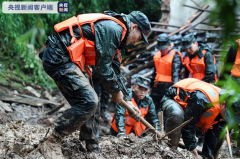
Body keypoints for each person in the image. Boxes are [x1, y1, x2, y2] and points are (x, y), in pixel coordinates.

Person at [38, 10, 151, 158]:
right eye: (139, 37)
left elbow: (115, 70)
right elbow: (103, 69)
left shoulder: (118, 35)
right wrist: (115, 92)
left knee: (93, 103)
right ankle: (53, 140)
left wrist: (129, 102)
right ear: (134, 27)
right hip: (58, 56)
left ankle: (92, 147)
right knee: (90, 100)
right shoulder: (113, 29)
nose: (137, 41)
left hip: (71, 60)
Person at [160, 78, 229, 158]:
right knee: (177, 115)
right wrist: (193, 151)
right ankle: (170, 150)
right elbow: (188, 125)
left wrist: (207, 156)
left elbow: (214, 134)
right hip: (173, 99)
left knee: (221, 133)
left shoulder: (227, 113)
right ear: (223, 104)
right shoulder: (201, 99)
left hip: (193, 112)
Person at [150, 33, 183, 112]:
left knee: (164, 108)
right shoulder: (158, 55)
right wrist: (151, 85)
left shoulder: (175, 56)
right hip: (157, 86)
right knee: (154, 108)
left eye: (164, 48)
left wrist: (174, 90)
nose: (162, 51)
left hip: (168, 87)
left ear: (169, 45)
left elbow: (175, 74)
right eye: (160, 49)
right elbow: (155, 72)